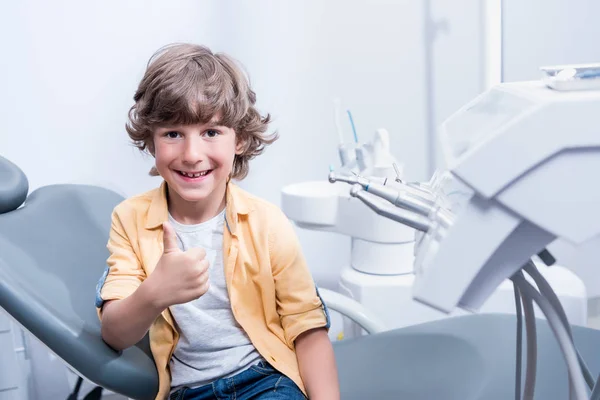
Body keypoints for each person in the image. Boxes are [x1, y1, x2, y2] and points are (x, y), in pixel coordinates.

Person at [95, 43, 340, 400]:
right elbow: (114, 335)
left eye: (211, 132)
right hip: (186, 391)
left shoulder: (267, 223)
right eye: (172, 133)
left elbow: (308, 329)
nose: (192, 155)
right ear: (151, 140)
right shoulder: (129, 219)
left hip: (264, 380)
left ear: (239, 139)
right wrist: (155, 292)